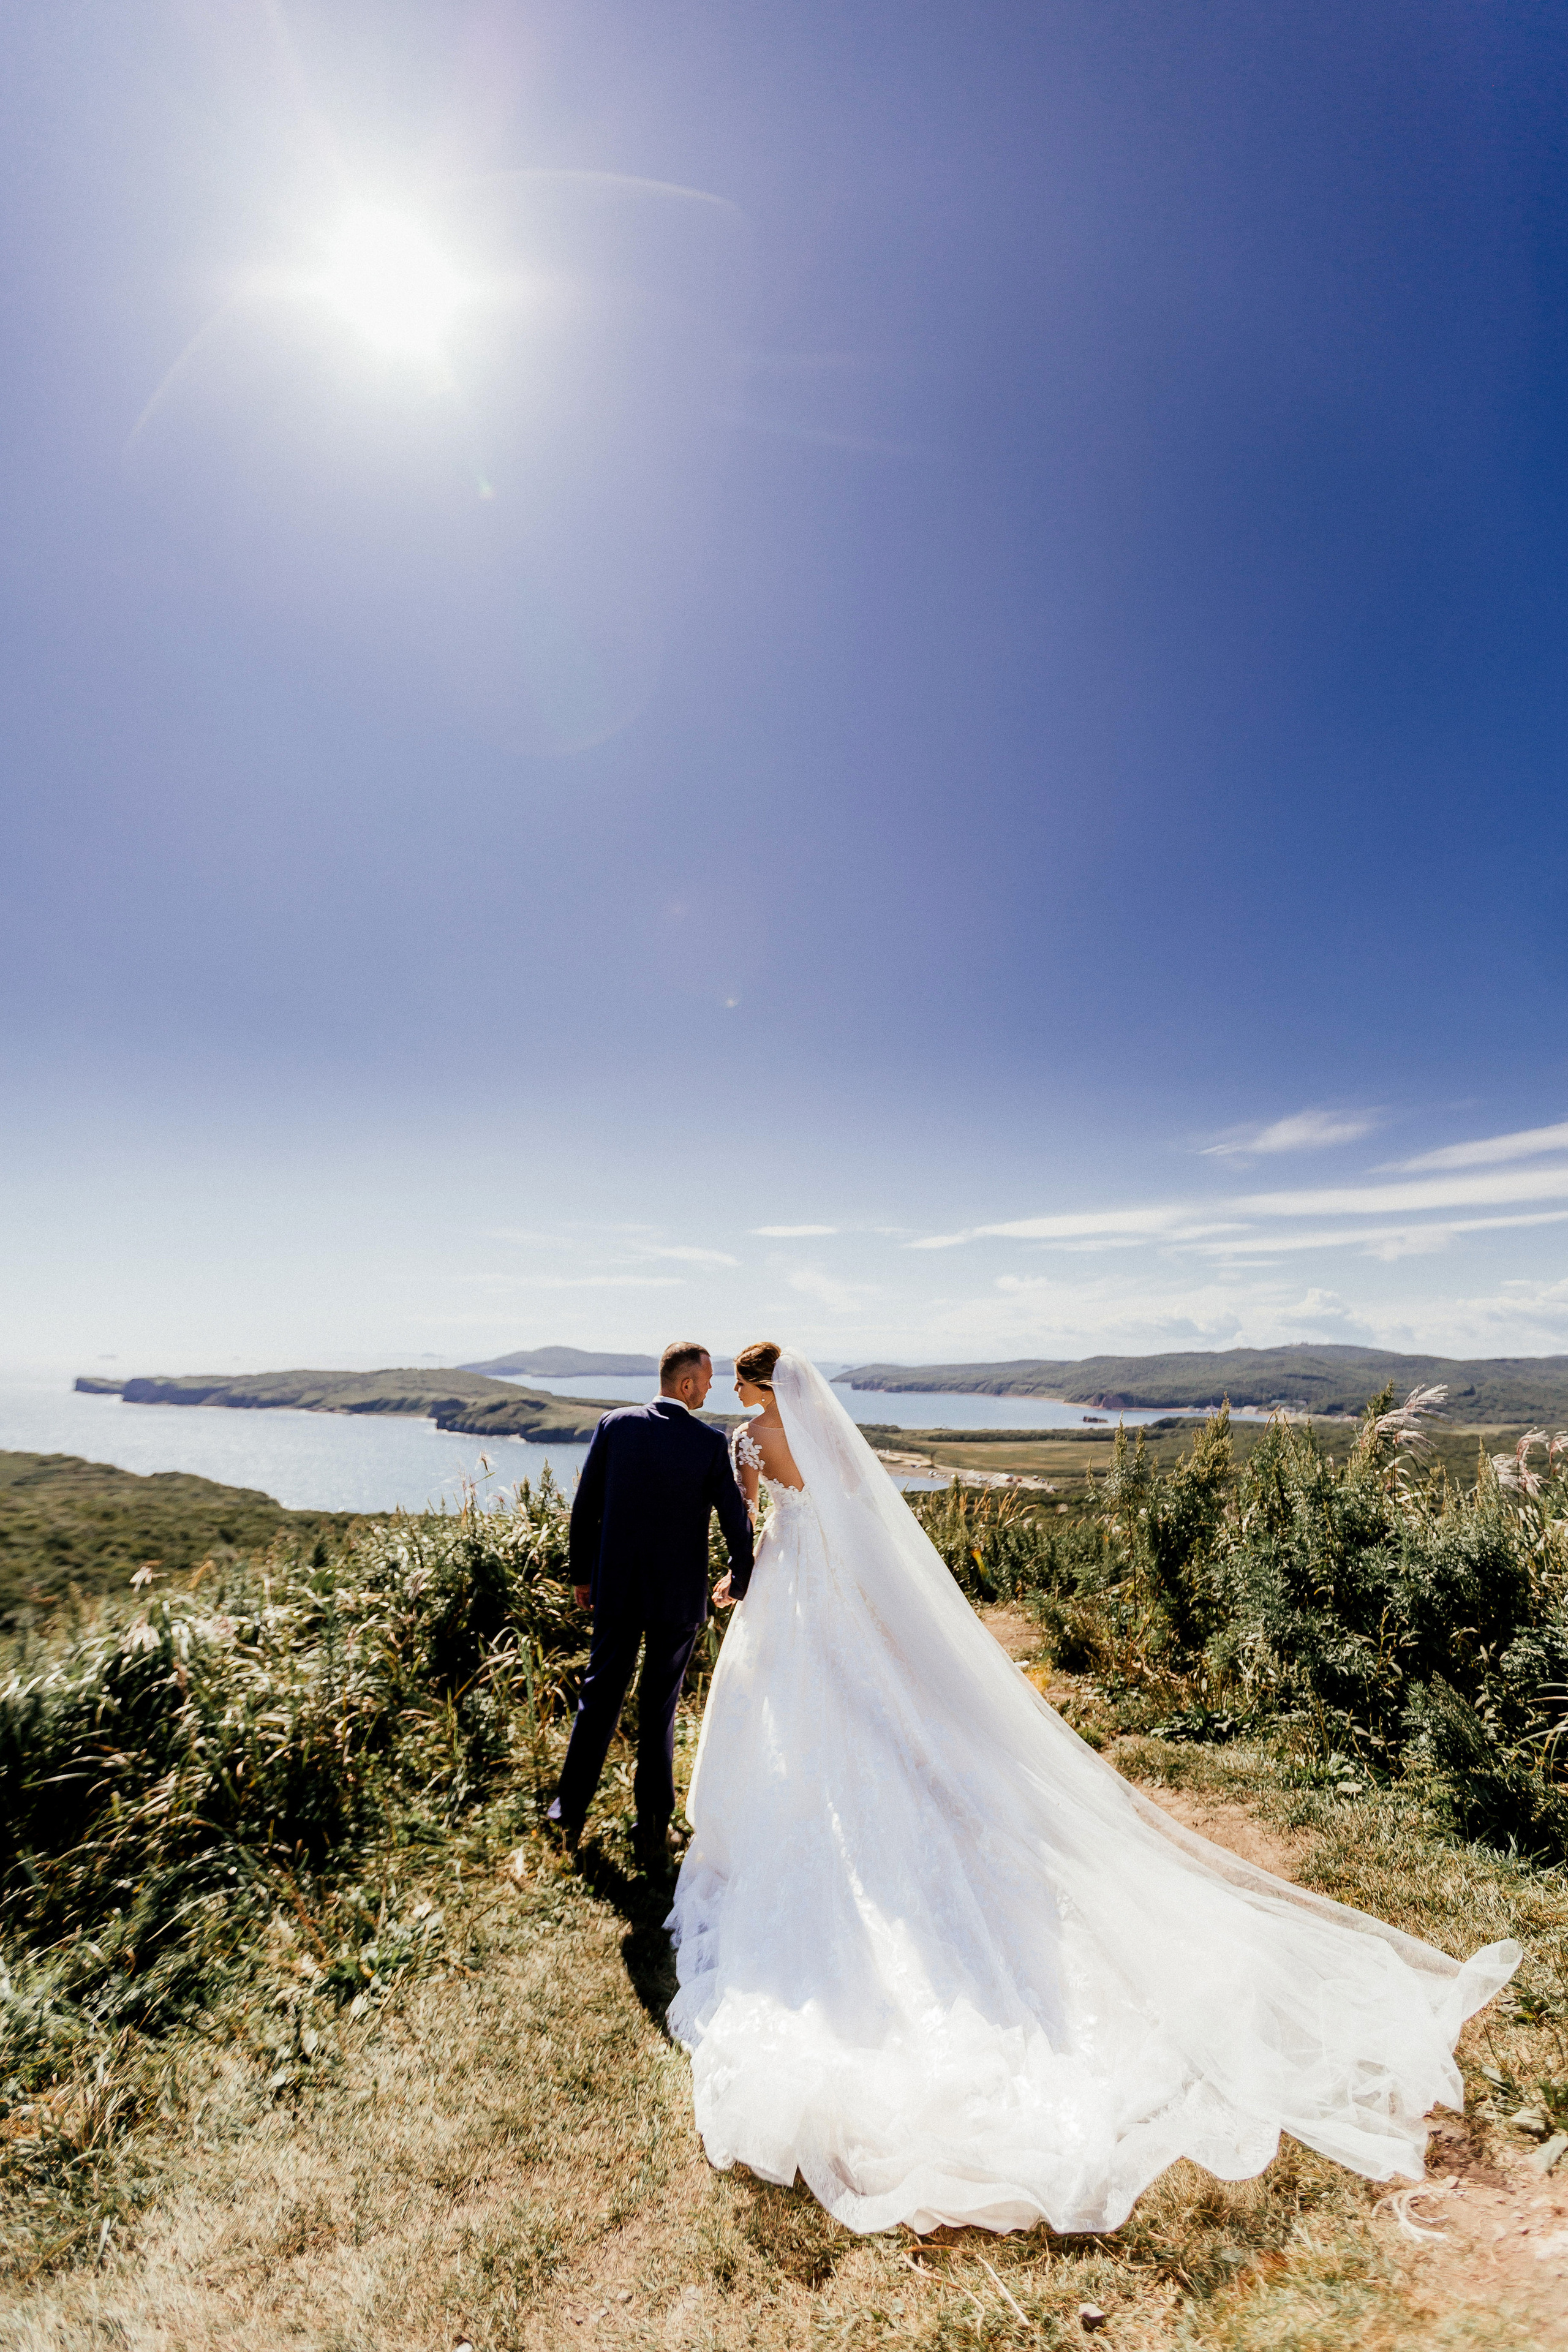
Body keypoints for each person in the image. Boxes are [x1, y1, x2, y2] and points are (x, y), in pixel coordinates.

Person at [666, 1343, 1521, 2238]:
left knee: (796, 1725)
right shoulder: (819, 1435)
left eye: (740, 1378)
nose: (734, 1390)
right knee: (876, 1717)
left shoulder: (745, 1444)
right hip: (836, 1589)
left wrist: (742, 1576)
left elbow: (754, 1526)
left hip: (792, 1594)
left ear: (757, 1386)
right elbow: (854, 1516)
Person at [549, 1340, 753, 1876]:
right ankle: (651, 1834)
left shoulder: (615, 1425)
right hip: (676, 1601)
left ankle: (566, 1819)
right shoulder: (709, 1443)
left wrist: (581, 1576)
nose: (711, 1388)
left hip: (615, 1590)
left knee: (599, 1699)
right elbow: (736, 1520)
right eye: (707, 1380)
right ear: (686, 1385)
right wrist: (743, 1577)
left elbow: (585, 1508)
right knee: (658, 1710)